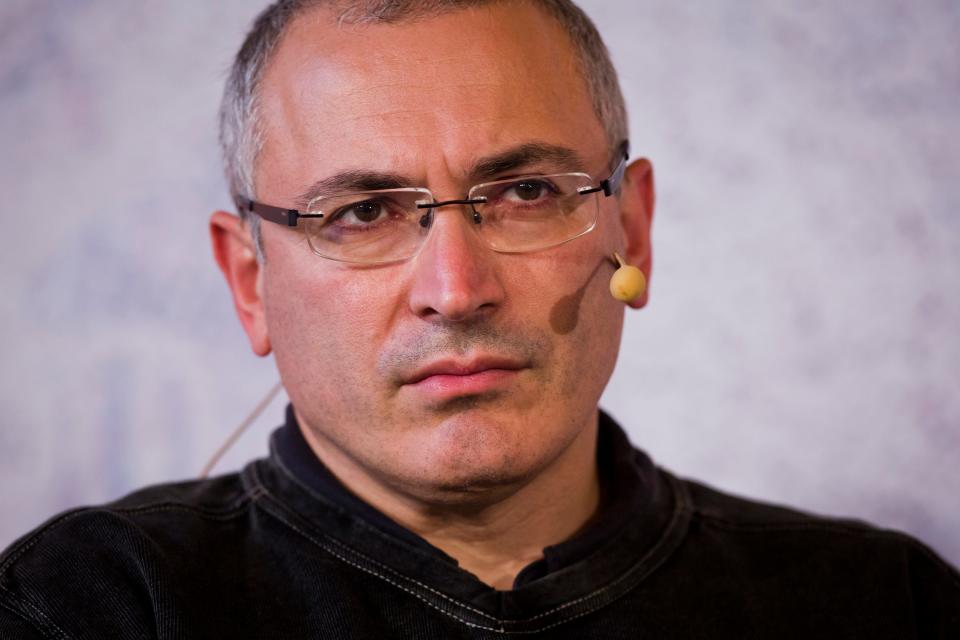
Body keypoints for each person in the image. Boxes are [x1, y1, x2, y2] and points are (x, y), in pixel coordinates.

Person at [1, 0, 957, 637]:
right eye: (363, 212)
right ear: (250, 280)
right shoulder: (95, 608)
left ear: (632, 231)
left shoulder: (878, 605)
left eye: (528, 192)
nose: (456, 290)